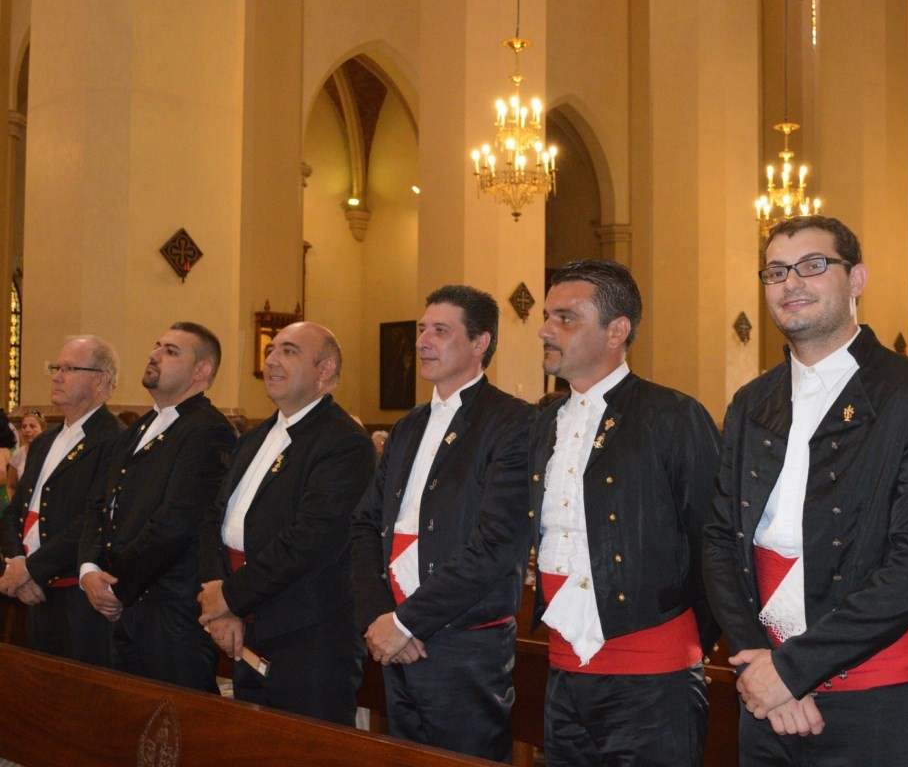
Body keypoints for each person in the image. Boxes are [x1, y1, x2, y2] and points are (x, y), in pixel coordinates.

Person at [702, 214, 908, 766]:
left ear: (856, 279)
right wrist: (759, 664)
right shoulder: (750, 401)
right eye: (776, 271)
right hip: (763, 694)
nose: (791, 283)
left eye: (812, 265)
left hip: (872, 700)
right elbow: (721, 540)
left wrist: (792, 671)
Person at [530, 259, 721, 767]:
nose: (546, 329)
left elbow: (713, 543)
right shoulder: (543, 423)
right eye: (547, 316)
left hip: (652, 677)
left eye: (566, 318)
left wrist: (683, 644)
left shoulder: (674, 416)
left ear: (617, 331)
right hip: (563, 670)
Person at [352, 285, 534, 762]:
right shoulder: (408, 426)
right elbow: (366, 525)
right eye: (421, 330)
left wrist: (408, 621)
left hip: (464, 644)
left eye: (440, 330)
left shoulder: (512, 422)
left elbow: (497, 543)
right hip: (394, 635)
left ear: (480, 342)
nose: (422, 341)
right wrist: (381, 617)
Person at [198, 322, 376, 723]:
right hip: (246, 624)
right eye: (271, 351)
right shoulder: (254, 438)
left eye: (289, 351)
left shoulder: (345, 443)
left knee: (307, 748)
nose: (272, 361)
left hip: (310, 638)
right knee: (252, 742)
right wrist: (221, 605)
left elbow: (311, 540)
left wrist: (230, 597)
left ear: (324, 370)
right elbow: (214, 521)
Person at [79, 322, 236, 691]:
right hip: (126, 604)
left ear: (201, 371)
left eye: (170, 351)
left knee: (175, 720)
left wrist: (116, 584)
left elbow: (176, 523)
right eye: (157, 346)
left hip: (172, 613)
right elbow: (100, 504)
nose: (154, 355)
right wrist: (89, 569)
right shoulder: (139, 427)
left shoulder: (208, 430)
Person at [0, 336, 124, 665]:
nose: (56, 376)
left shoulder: (114, 439)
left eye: (69, 369)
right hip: (32, 590)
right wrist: (16, 565)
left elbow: (93, 519)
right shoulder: (45, 441)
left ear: (101, 379)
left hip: (77, 597)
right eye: (56, 368)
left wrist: (31, 570)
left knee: (79, 690)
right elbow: (15, 511)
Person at [7, 411, 46, 498]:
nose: (27, 430)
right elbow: (11, 486)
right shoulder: (17, 455)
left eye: (32, 426)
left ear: (42, 429)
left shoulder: (50, 452)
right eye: (24, 427)